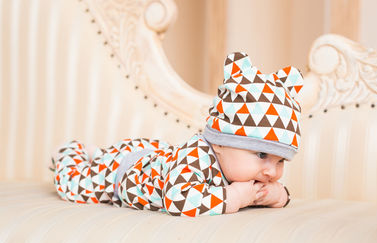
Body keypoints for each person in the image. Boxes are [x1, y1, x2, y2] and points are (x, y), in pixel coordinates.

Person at [51, 52, 303, 217]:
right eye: (261, 154)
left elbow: (266, 191)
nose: (272, 171)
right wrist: (232, 197)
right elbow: (177, 198)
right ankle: (71, 153)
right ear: (220, 144)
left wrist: (278, 196)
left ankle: (99, 153)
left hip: (158, 153)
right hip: (124, 171)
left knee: (117, 154)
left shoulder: (246, 168)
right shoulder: (197, 156)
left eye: (280, 160)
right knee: (76, 187)